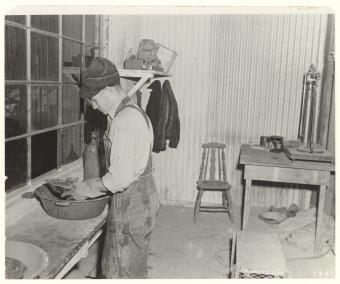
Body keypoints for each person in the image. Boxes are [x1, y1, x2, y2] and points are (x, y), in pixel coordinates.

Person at [71, 56, 160, 278]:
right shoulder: (133, 110)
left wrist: (88, 187)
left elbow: (119, 179)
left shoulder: (124, 121)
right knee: (132, 263)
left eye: (93, 99)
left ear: (108, 91)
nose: (93, 106)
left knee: (122, 269)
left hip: (132, 203)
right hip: (144, 196)